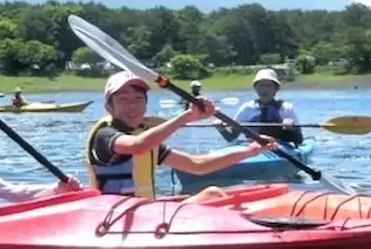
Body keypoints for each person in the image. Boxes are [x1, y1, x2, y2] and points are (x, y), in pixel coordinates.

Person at [85, 71, 279, 204]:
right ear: (109, 107)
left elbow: (197, 165)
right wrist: (188, 116)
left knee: (212, 193)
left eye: (138, 99)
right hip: (113, 220)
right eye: (123, 99)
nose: (132, 106)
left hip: (145, 215)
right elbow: (138, 146)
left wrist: (250, 151)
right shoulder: (105, 135)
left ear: (145, 104)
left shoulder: (145, 139)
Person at [218, 68, 303, 147]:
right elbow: (231, 138)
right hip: (253, 147)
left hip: (280, 147)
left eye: (268, 86)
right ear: (256, 88)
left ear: (275, 89)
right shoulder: (247, 108)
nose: (264, 89)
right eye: (260, 86)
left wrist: (293, 128)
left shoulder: (286, 108)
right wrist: (221, 129)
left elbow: (299, 140)